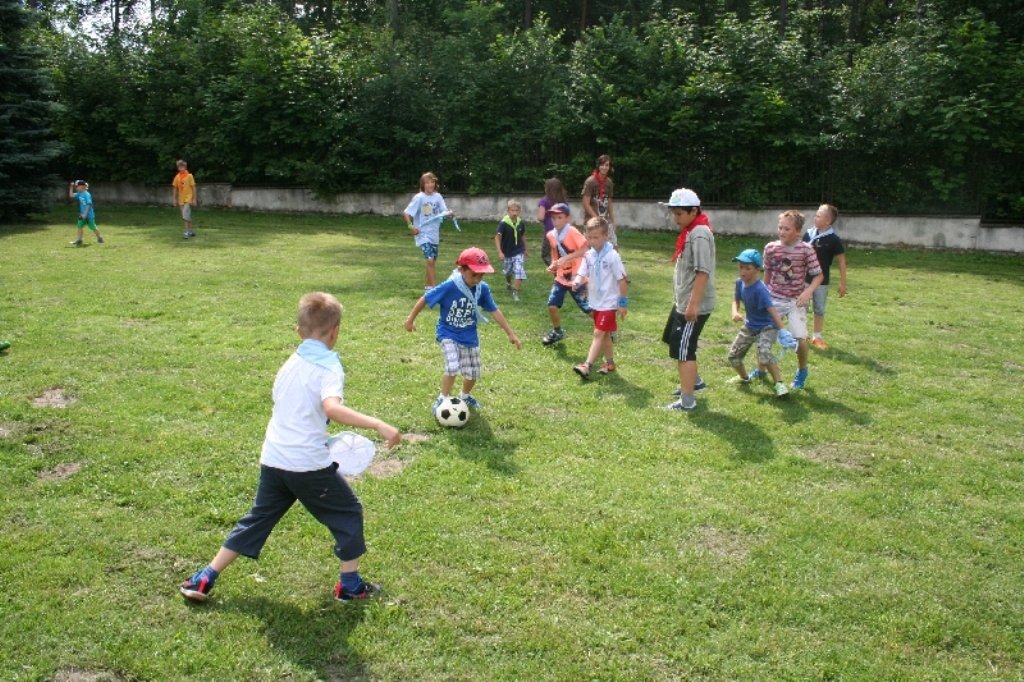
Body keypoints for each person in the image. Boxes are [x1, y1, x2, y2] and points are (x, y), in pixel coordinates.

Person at [179, 292, 402, 604]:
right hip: (306, 464)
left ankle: (204, 577)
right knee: (349, 512)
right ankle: (350, 586)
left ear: (299, 331)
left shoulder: (290, 363)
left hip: (274, 458)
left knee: (258, 518)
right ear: (335, 331)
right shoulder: (329, 366)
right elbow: (332, 408)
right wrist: (377, 423)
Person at [404, 247, 522, 410]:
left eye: (481, 275)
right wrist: (410, 320)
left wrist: (511, 333)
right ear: (461, 269)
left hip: (469, 335)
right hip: (448, 332)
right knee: (452, 367)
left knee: (473, 373)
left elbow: (494, 311)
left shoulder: (482, 289)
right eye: (474, 274)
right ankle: (442, 398)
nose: (477, 279)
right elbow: (426, 298)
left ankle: (465, 396)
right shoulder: (450, 286)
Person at [661, 189, 715, 412]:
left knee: (684, 351)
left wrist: (693, 305)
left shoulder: (699, 233)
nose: (675, 218)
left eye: (679, 214)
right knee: (672, 339)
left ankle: (687, 400)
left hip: (693, 306)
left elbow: (703, 272)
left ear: (694, 211)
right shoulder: (690, 230)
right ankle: (695, 381)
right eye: (673, 213)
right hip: (683, 302)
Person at [763, 210, 823, 389]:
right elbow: (768, 273)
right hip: (773, 299)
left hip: (795, 301)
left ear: (798, 232)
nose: (781, 232)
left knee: (800, 338)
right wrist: (763, 295)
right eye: (780, 227)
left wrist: (808, 292)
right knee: (764, 337)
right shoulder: (770, 248)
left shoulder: (806, 249)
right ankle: (760, 370)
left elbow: (819, 275)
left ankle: (802, 370)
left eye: (787, 229)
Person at [726, 249, 789, 397]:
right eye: (741, 267)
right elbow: (736, 300)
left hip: (768, 326)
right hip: (750, 326)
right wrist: (735, 312)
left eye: (747, 268)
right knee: (733, 356)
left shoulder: (760, 289)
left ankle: (779, 384)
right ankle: (744, 378)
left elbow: (772, 310)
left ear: (757, 270)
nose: (742, 271)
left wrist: (783, 331)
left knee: (764, 353)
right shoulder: (739, 283)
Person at [571, 218, 628, 379]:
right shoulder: (589, 255)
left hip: (609, 304)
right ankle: (610, 363)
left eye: (596, 237)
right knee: (605, 335)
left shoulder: (612, 256)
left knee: (598, 333)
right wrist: (577, 281)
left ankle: (587, 365)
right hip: (596, 303)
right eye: (590, 237)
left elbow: (622, 280)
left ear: (605, 236)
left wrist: (623, 303)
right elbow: (582, 272)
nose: (592, 241)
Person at [541, 203, 591, 346]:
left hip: (577, 277)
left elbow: (585, 249)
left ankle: (605, 329)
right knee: (552, 306)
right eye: (553, 218)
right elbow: (555, 254)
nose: (556, 221)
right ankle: (557, 331)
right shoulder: (551, 235)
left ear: (567, 218)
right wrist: (554, 265)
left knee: (588, 309)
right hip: (561, 278)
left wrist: (567, 258)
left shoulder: (572, 232)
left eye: (560, 217)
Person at [803, 203, 847, 349]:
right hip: (804, 279)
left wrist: (843, 283)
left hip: (822, 281)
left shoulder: (834, 239)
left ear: (828, 221)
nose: (815, 217)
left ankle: (817, 337)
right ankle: (801, 334)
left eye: (818, 215)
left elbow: (841, 261)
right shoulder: (808, 234)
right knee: (801, 307)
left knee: (819, 309)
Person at [404, 172, 453, 291]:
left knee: (432, 262)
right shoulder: (419, 198)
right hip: (422, 234)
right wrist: (411, 226)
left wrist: (449, 213)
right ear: (423, 184)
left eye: (432, 182)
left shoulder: (438, 197)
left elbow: (444, 211)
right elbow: (406, 213)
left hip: (434, 234)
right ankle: (435, 290)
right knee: (430, 260)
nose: (430, 184)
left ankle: (428, 287)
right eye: (427, 182)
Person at [494, 199, 527, 303]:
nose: (514, 213)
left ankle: (515, 292)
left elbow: (522, 236)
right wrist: (500, 252)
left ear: (519, 211)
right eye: (512, 210)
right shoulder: (504, 223)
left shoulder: (520, 222)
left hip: (518, 251)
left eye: (516, 211)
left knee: (519, 270)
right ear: (508, 210)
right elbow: (497, 238)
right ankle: (508, 282)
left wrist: (525, 249)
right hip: (507, 252)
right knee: (508, 272)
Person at [582, 155, 616, 248]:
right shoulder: (590, 181)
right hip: (591, 221)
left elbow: (609, 202)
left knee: (613, 247)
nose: (604, 167)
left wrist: (613, 220)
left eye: (607, 165)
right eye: (602, 165)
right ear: (598, 166)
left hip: (605, 221)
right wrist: (596, 218)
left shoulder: (609, 182)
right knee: (589, 248)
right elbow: (585, 203)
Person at [536, 178, 568, 267]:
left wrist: (546, 218)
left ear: (547, 189)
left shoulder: (544, 200)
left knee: (546, 254)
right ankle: (563, 268)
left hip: (550, 230)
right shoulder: (564, 201)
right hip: (563, 230)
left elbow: (540, 217)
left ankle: (556, 269)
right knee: (560, 252)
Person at [68, 180, 104, 246]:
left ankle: (99, 238)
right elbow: (71, 195)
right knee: (79, 226)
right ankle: (79, 240)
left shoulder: (87, 194)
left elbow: (89, 204)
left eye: (76, 186)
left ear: (82, 186)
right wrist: (71, 187)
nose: (76, 188)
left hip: (89, 215)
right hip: (82, 215)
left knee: (93, 227)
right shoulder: (79, 193)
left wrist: (85, 214)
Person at [172, 160, 197, 239]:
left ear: (185, 167)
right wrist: (174, 199)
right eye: (179, 167)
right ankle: (191, 231)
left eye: (182, 166)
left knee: (185, 214)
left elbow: (193, 187)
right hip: (181, 199)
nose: (181, 168)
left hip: (188, 198)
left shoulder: (189, 176)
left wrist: (194, 199)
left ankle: (186, 232)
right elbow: (175, 188)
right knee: (186, 215)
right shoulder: (177, 177)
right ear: (178, 168)